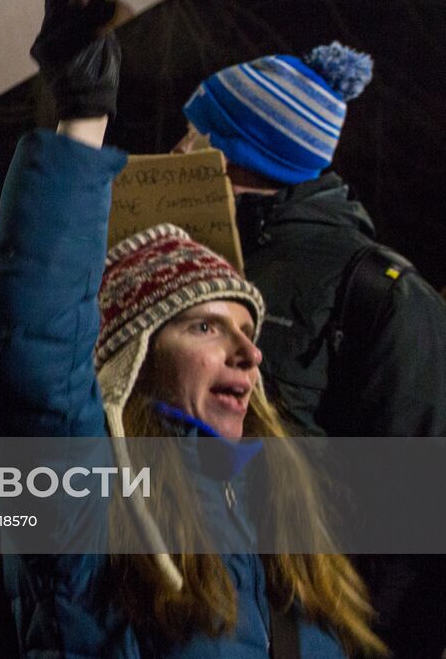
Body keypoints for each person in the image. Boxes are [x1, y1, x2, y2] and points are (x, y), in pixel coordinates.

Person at [0, 0, 383, 657]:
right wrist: (81, 114)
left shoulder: (290, 520)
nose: (250, 351)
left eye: (248, 329)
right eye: (205, 324)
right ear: (134, 355)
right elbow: (34, 362)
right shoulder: (92, 516)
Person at [175, 41, 446, 655]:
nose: (178, 150)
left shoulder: (382, 293)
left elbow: (411, 518)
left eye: (195, 134)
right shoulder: (194, 270)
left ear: (237, 153)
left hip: (309, 629)